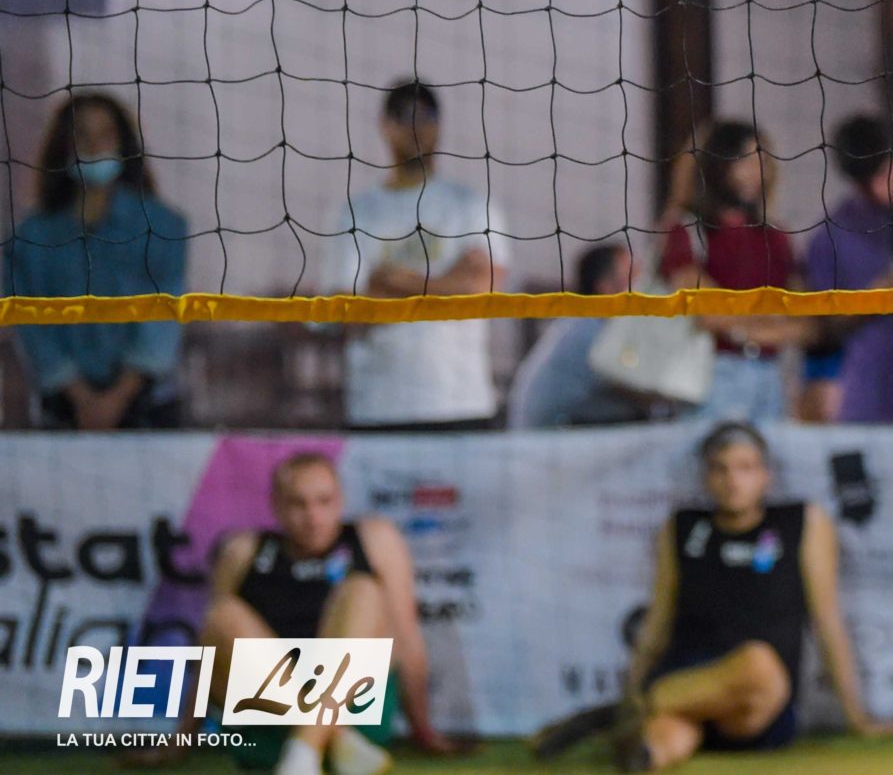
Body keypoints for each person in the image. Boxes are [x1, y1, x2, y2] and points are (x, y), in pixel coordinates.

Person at [533, 423, 893, 769]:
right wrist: (636, 677)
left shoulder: (801, 522)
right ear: (705, 477)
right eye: (720, 469)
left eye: (745, 468)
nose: (733, 481)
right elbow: (657, 623)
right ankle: (643, 751)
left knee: (759, 663)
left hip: (758, 701)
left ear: (766, 475)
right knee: (666, 737)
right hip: (688, 680)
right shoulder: (682, 527)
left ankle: (620, 713)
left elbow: (827, 621)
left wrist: (857, 718)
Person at [172, 451, 458, 775]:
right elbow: (212, 655)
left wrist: (423, 730)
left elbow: (405, 636)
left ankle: (303, 751)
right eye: (299, 504)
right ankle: (322, 740)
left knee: (363, 591)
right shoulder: (244, 551)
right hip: (272, 719)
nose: (313, 516)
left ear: (341, 501)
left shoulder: (375, 540)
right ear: (276, 506)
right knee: (222, 616)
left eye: (324, 501)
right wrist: (181, 739)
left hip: (356, 709)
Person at [322, 82, 502, 431]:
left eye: (426, 116)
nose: (416, 126)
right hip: (378, 407)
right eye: (405, 116)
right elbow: (346, 312)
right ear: (385, 125)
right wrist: (446, 285)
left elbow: (482, 289)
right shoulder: (355, 212)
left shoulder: (469, 204)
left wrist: (391, 280)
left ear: (440, 124)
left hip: (460, 404)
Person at [6, 93, 187, 429]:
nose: (94, 146)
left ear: (123, 143)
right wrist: (80, 397)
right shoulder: (30, 237)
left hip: (148, 407)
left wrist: (118, 397)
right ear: (64, 145)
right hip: (64, 409)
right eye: (82, 135)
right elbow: (31, 327)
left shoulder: (164, 226)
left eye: (105, 133)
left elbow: (163, 317)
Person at [658, 121, 806, 424]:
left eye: (762, 161)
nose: (756, 172)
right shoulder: (688, 230)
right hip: (713, 372)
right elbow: (707, 310)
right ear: (718, 164)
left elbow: (800, 317)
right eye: (745, 161)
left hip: (772, 373)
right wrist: (759, 327)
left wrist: (748, 328)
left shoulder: (776, 236)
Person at [802, 115, 893, 423]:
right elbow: (827, 325)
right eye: (865, 180)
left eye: (883, 172)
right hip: (860, 387)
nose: (877, 188)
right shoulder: (829, 238)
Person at [508, 243, 679, 428]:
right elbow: (650, 389)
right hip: (546, 440)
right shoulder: (590, 331)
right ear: (605, 288)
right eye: (634, 275)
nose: (645, 285)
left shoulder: (589, 324)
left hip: (564, 432)